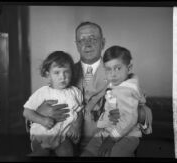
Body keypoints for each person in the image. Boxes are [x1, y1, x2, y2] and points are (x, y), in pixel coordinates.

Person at [32, 21, 152, 157]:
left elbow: (144, 113)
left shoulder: (117, 70)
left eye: (93, 39)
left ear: (103, 42)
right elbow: (34, 109)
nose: (87, 44)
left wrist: (139, 113)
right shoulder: (63, 72)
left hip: (108, 142)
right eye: (82, 40)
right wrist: (40, 112)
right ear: (76, 45)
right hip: (67, 144)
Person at [81, 45, 146, 157]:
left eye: (118, 68)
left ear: (129, 68)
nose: (113, 74)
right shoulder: (116, 84)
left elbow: (130, 119)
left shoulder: (127, 90)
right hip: (107, 132)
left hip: (127, 136)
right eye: (108, 69)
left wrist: (111, 139)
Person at [23, 51, 84, 156]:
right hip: (42, 133)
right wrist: (42, 120)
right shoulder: (43, 92)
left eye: (66, 72)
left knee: (68, 152)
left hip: (63, 136)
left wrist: (76, 125)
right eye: (57, 72)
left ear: (72, 72)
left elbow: (80, 111)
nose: (62, 77)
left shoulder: (75, 92)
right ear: (48, 74)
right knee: (41, 153)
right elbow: (27, 112)